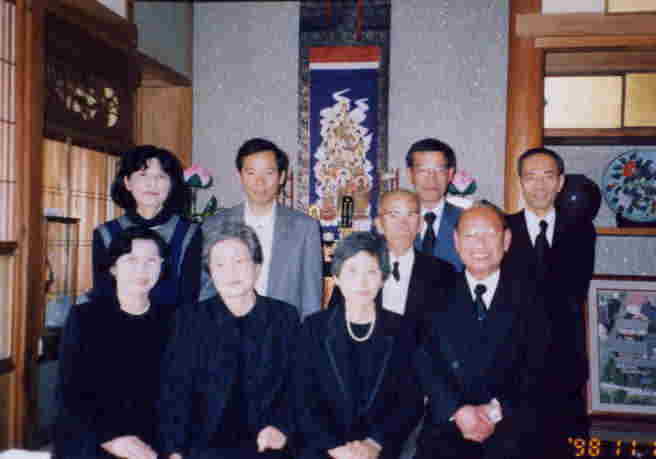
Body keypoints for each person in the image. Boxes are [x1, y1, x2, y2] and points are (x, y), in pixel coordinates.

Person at [414, 202, 549, 459]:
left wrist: (494, 411)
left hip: (513, 431)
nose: (480, 244)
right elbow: (423, 359)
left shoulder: (535, 296)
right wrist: (457, 410)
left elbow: (541, 366)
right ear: (456, 241)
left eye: (489, 234)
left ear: (506, 240)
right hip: (447, 430)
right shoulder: (433, 293)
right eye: (471, 235)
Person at [159, 222, 299, 459]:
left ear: (256, 267)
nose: (231, 273)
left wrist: (283, 428)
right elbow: (174, 392)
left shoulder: (284, 317)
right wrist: (174, 451)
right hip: (204, 448)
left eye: (239, 262)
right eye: (220, 264)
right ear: (210, 272)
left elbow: (299, 386)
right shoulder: (190, 319)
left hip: (268, 445)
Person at [295, 232, 423, 459]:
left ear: (383, 277)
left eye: (371, 272)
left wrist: (374, 443)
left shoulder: (402, 329)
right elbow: (303, 398)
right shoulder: (314, 328)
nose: (362, 283)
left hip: (380, 451)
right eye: (352, 271)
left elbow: (409, 400)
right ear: (337, 277)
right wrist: (336, 447)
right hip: (324, 450)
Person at [503, 147, 596, 453]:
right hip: (514, 362)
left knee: (565, 446)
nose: (539, 185)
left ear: (560, 182)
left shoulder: (581, 229)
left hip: (564, 358)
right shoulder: (503, 229)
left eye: (548, 176)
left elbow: (575, 289)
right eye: (531, 176)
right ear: (520, 181)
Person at [55, 227, 172, 459]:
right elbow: (71, 393)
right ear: (113, 267)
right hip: (97, 436)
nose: (142, 270)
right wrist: (110, 439)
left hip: (155, 440)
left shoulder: (175, 320)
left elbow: (179, 394)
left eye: (151, 261)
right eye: (131, 260)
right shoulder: (85, 317)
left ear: (161, 266)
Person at [202, 138, 322, 319]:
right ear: (240, 176)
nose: (260, 182)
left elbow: (311, 298)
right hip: (226, 326)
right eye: (251, 173)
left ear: (282, 177)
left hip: (283, 328)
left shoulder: (305, 228)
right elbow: (206, 289)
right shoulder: (214, 224)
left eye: (268, 173)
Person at [93, 145, 202, 309]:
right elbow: (103, 295)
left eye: (161, 176)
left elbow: (189, 298)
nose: (152, 183)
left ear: (171, 185)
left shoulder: (189, 233)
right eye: (143, 175)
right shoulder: (105, 233)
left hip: (174, 323)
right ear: (127, 182)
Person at [374, 189, 455, 335]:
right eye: (394, 215)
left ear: (420, 224)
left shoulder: (443, 273)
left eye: (410, 215)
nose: (403, 224)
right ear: (379, 224)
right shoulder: (358, 269)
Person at [406, 138, 463, 271]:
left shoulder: (464, 220)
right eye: (423, 171)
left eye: (439, 170)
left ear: (450, 174)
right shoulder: (396, 222)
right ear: (410, 174)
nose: (431, 179)